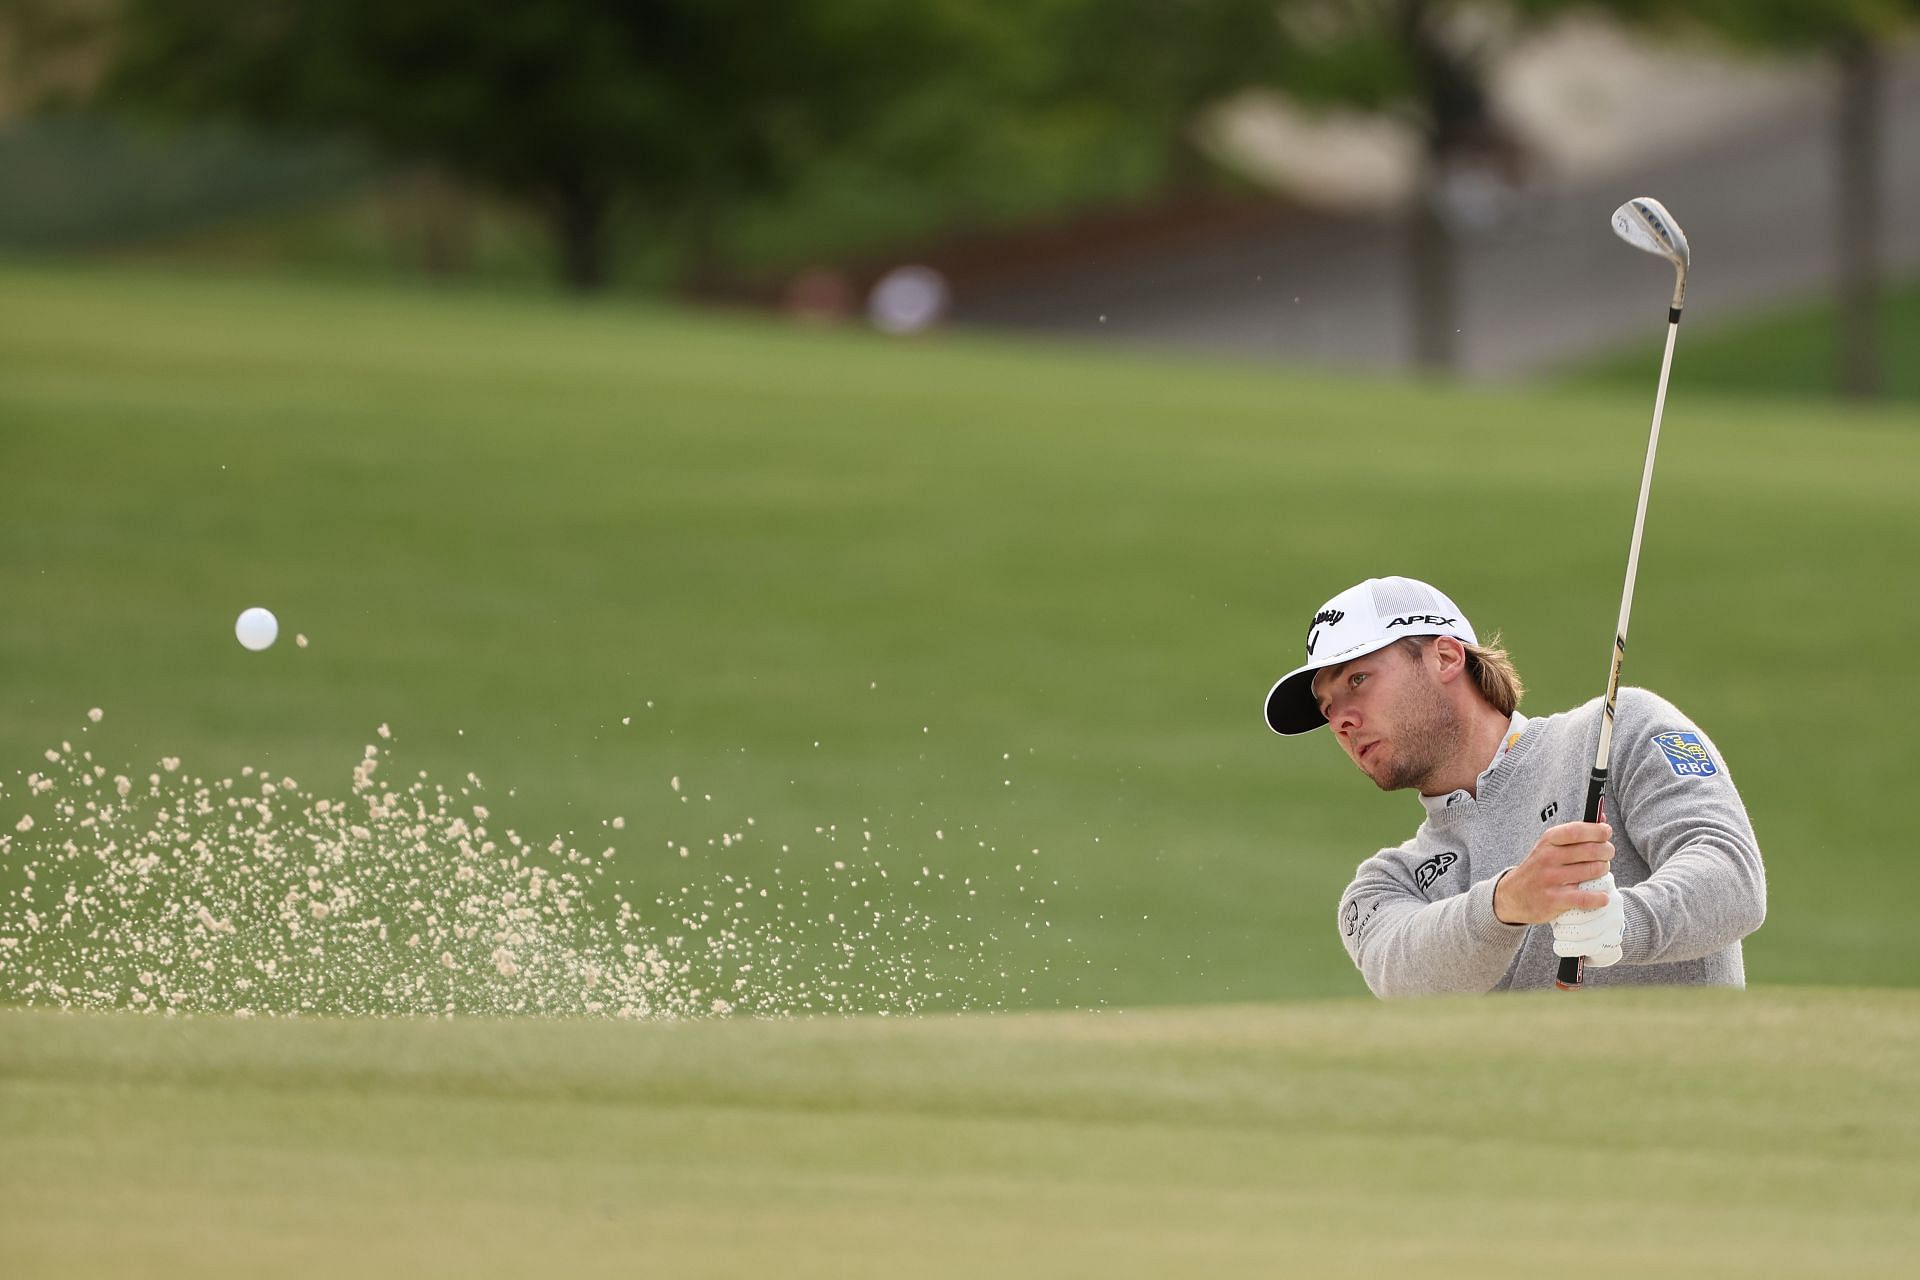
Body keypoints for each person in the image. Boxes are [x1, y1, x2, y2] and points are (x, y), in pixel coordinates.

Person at [1263, 575, 1765, 997]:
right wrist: (1507, 902)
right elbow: (1407, 977)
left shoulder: (1619, 729)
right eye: (1327, 708)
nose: (1342, 721)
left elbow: (1733, 876)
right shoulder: (1384, 885)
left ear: (1445, 657)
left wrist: (1621, 922)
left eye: (1356, 680)